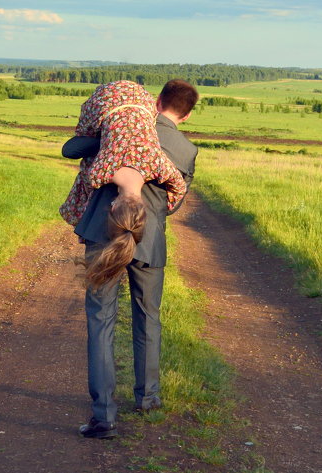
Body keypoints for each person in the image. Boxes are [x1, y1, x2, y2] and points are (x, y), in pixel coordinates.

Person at [61, 79, 199, 439]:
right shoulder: (185, 149)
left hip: (104, 233)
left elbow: (71, 147)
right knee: (148, 318)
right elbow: (175, 203)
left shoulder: (122, 125)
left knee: (100, 320)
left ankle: (103, 415)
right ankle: (148, 398)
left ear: (155, 102)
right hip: (148, 238)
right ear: (186, 113)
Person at [59, 79, 187, 229]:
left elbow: (179, 187)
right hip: (106, 99)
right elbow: (85, 195)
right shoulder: (101, 172)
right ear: (113, 205)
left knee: (86, 135)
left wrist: (166, 207)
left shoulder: (157, 164)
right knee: (85, 135)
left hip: (141, 99)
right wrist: (80, 224)